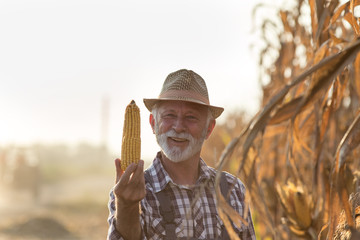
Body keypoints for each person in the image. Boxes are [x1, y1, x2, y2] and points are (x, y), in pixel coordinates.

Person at [107, 69, 256, 240]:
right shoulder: (132, 194)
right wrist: (127, 206)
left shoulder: (233, 190)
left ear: (208, 129)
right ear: (153, 123)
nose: (178, 127)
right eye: (169, 115)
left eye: (191, 117)